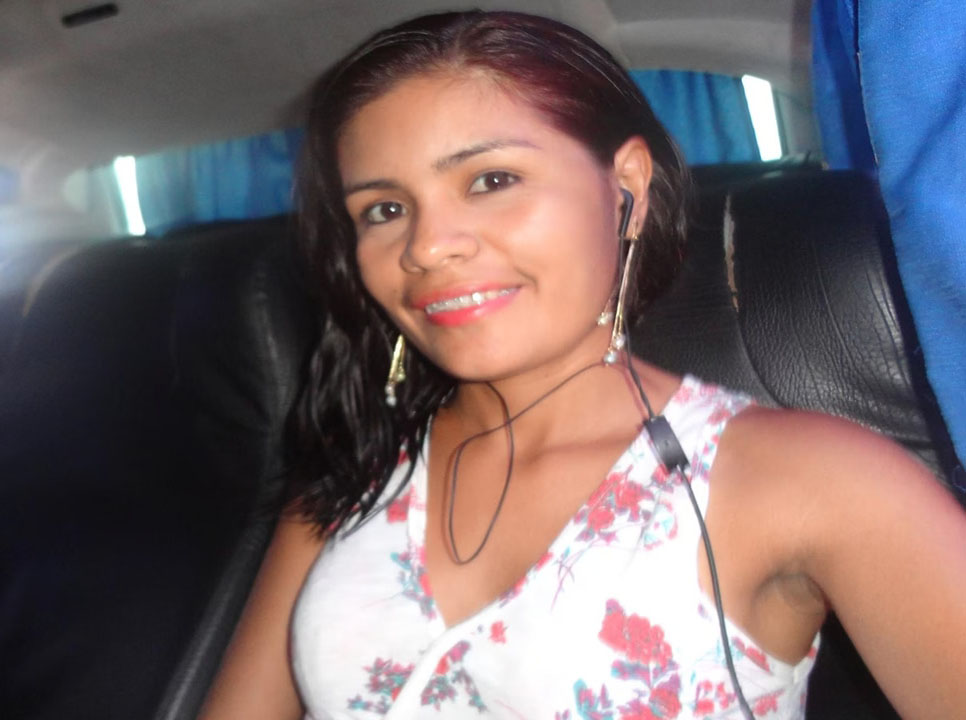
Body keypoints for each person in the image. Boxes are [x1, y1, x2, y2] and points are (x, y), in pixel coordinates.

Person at [201, 10, 966, 720]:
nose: (427, 246)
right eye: (385, 209)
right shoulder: (355, 476)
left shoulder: (814, 479)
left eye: (491, 180)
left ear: (626, 188)